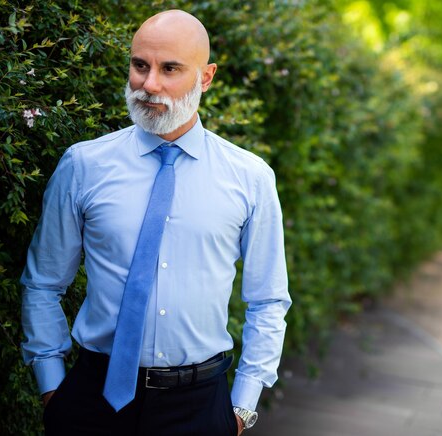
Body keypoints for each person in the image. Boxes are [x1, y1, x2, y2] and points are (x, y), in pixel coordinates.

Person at [20, 9, 291, 436]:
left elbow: (268, 300)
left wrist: (241, 408)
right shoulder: (84, 165)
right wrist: (53, 389)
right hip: (90, 400)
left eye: (170, 69)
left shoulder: (250, 178)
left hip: (199, 406)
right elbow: (43, 283)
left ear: (206, 77)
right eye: (140, 65)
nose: (149, 84)